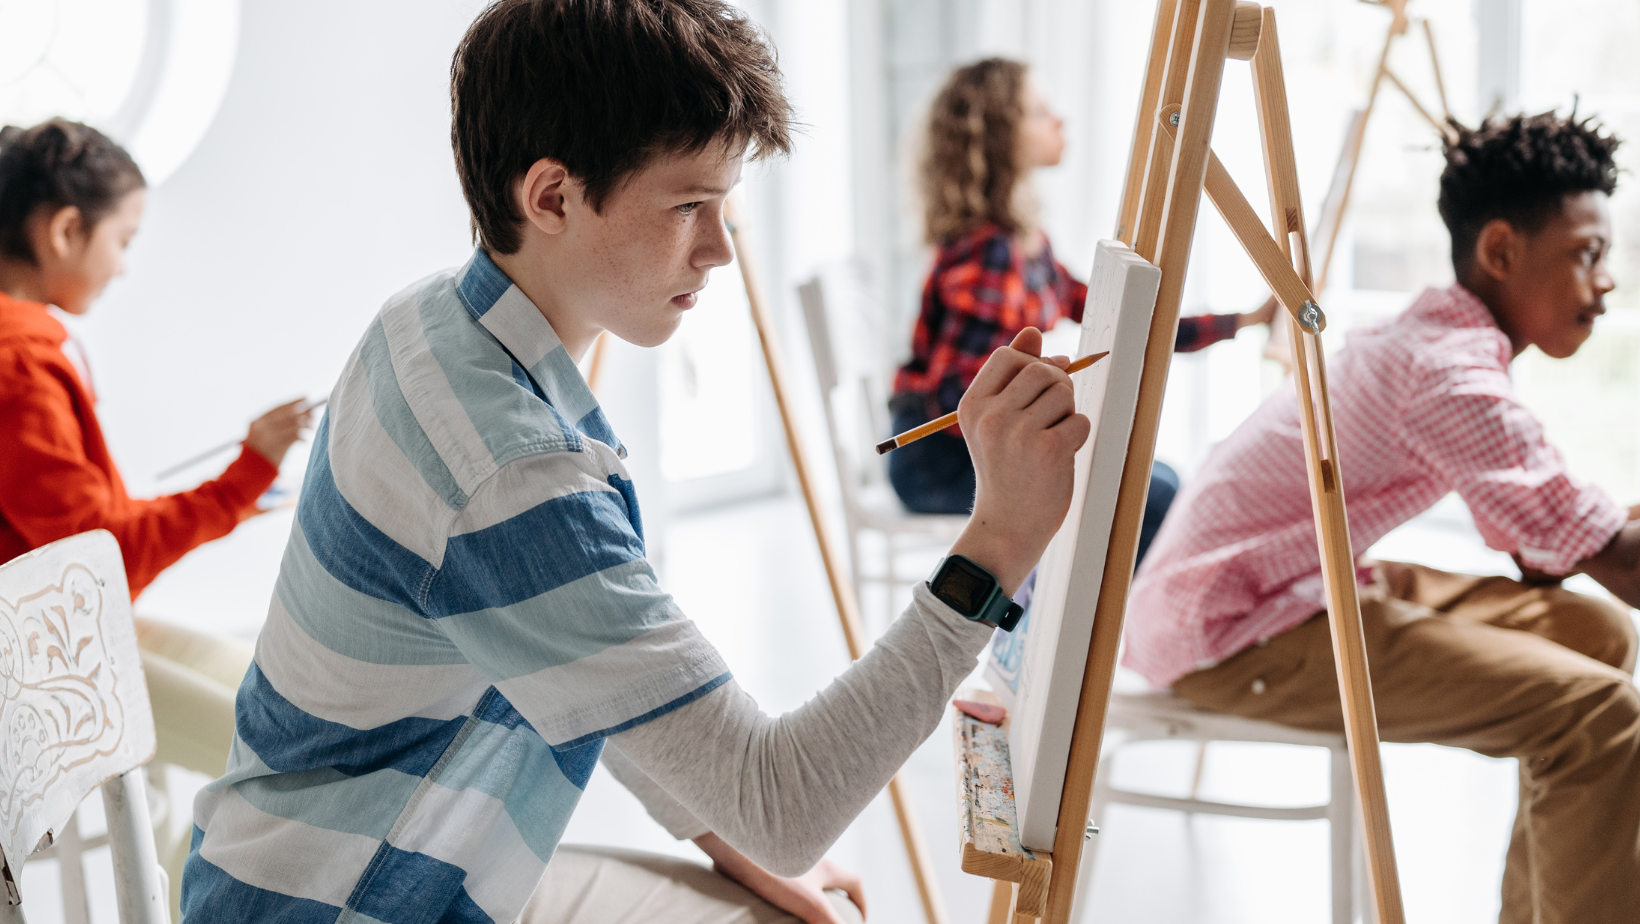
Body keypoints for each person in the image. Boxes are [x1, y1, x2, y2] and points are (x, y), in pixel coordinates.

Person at [180, 4, 1090, 924]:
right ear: (552, 196)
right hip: (349, 901)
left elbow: (573, 662)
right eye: (690, 205)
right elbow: (787, 806)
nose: (721, 249)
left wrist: (733, 845)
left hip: (323, 865)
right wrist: (1002, 538)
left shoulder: (428, 322)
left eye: (726, 205)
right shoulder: (509, 468)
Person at [1127, 110, 1640, 921]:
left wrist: (1587, 530)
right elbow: (1619, 562)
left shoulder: (1432, 340)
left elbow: (1554, 546)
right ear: (1500, 250)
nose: (1605, 279)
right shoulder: (1447, 375)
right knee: (1603, 716)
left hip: (1294, 585)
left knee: (1598, 637)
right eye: (1588, 254)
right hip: (1235, 627)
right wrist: (1593, 532)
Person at [0, 118, 313, 914]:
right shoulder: (17, 364)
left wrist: (241, 487)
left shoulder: (28, 347)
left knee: (263, 696)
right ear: (67, 229)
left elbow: (86, 530)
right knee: (278, 756)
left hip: (68, 635)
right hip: (41, 667)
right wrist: (247, 475)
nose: (125, 266)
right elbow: (101, 555)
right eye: (124, 238)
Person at [888, 57, 1274, 564]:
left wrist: (1240, 322)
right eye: (1039, 111)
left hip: (969, 448)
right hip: (941, 463)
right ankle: (1126, 638)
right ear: (1001, 138)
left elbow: (1117, 314)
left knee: (1159, 485)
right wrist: (1056, 419)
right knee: (1152, 499)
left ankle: (1131, 633)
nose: (1060, 121)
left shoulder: (1027, 245)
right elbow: (959, 405)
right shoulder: (989, 255)